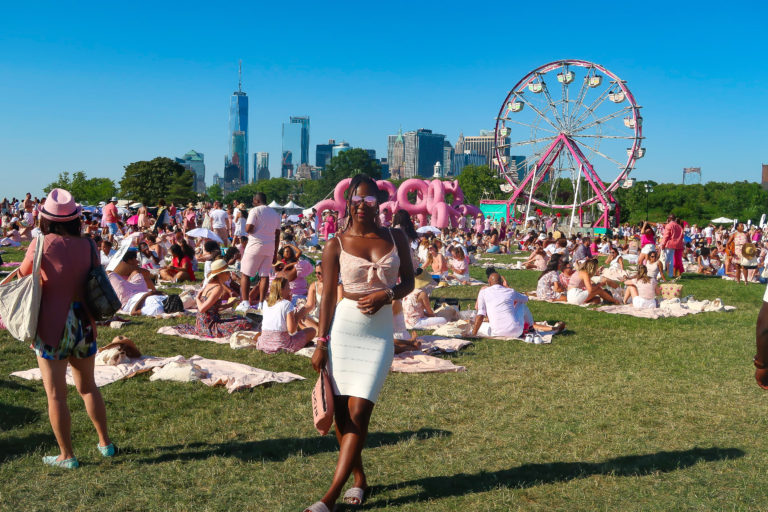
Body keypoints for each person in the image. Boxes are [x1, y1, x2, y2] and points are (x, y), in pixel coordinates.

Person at [307, 174, 414, 511]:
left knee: (360, 412)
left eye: (370, 201)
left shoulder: (395, 236)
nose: (363, 206)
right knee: (342, 417)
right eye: (357, 201)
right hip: (344, 330)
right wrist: (321, 342)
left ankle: (329, 497)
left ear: (379, 205)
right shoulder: (335, 243)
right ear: (347, 203)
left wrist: (388, 294)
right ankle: (359, 479)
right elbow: (326, 299)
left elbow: (409, 282)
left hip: (378, 335)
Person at [17, 188, 114, 468]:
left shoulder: (41, 243)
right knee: (88, 387)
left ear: (46, 218)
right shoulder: (89, 245)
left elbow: (25, 275)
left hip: (52, 325)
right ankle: (105, 443)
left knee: (56, 394)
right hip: (84, 321)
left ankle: (67, 455)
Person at [175, 260, 252, 337]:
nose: (230, 275)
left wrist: (230, 304)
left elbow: (213, 308)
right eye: (227, 272)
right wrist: (197, 299)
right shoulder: (218, 288)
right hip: (209, 326)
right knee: (244, 323)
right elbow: (202, 309)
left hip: (202, 324)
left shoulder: (210, 284)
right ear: (220, 274)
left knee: (240, 318)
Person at [237, 193, 281, 312]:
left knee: (245, 274)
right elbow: (277, 235)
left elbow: (248, 229)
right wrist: (275, 253)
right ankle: (261, 303)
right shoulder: (275, 214)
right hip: (270, 247)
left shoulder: (255, 210)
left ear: (257, 201)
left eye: (253, 201)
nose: (252, 203)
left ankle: (245, 302)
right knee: (264, 275)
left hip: (255, 245)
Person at [256, 277, 316, 353]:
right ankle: (302, 343)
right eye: (288, 287)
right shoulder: (287, 304)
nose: (290, 290)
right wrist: (297, 316)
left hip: (264, 343)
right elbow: (292, 330)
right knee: (312, 331)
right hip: (282, 344)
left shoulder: (266, 303)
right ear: (281, 290)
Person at [108, 249, 167, 316]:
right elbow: (147, 272)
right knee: (109, 273)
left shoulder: (159, 307)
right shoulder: (123, 267)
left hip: (134, 293)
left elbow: (147, 273)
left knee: (138, 273)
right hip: (129, 294)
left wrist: (151, 293)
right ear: (130, 260)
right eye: (135, 258)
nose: (137, 260)